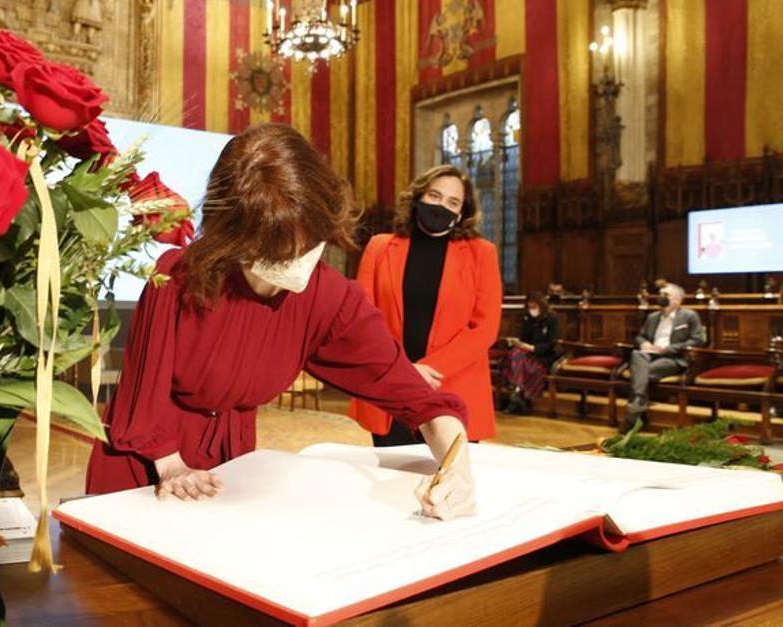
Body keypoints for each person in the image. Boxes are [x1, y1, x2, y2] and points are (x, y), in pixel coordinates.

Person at [85, 124, 476, 520]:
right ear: (234, 237)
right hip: (146, 469)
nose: (298, 260)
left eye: (309, 243)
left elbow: (418, 399)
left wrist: (455, 467)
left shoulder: (327, 297)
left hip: (229, 470)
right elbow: (142, 395)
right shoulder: (178, 276)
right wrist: (171, 465)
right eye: (279, 249)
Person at [349, 165, 502, 446]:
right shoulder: (380, 247)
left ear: (461, 213)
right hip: (392, 387)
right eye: (435, 196)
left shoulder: (482, 253)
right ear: (418, 197)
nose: (441, 205)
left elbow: (485, 328)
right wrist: (402, 369)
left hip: (454, 389)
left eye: (452, 202)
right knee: (392, 480)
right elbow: (362, 318)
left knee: (447, 482)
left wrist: (426, 368)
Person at [621, 283, 705, 433]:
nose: (661, 298)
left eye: (666, 295)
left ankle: (635, 410)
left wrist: (668, 348)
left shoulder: (689, 316)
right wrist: (645, 343)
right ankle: (637, 407)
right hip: (649, 355)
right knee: (637, 354)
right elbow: (640, 336)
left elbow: (697, 340)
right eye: (660, 294)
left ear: (678, 300)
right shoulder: (653, 317)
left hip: (673, 358)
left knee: (639, 372)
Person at [500, 291, 559, 415]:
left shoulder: (552, 319)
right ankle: (518, 394)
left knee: (520, 361)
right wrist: (516, 342)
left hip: (543, 355)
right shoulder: (528, 319)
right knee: (514, 354)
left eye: (534, 307)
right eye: (529, 307)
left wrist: (533, 348)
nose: (531, 310)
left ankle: (516, 394)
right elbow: (524, 339)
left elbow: (552, 344)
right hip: (527, 354)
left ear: (541, 306)